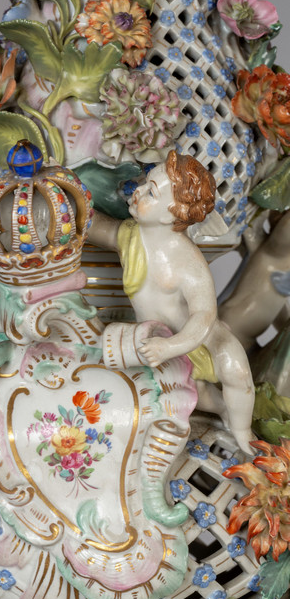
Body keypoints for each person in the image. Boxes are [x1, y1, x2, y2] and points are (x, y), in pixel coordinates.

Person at [88, 150, 256, 454]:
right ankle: (221, 408)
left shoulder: (187, 261)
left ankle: (243, 431)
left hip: (199, 339)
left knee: (237, 372)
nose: (137, 191)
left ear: (171, 213)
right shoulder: (131, 237)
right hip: (158, 341)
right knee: (194, 392)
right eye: (145, 183)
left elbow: (204, 317)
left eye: (150, 192)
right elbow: (98, 228)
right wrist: (70, 206)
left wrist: (171, 346)